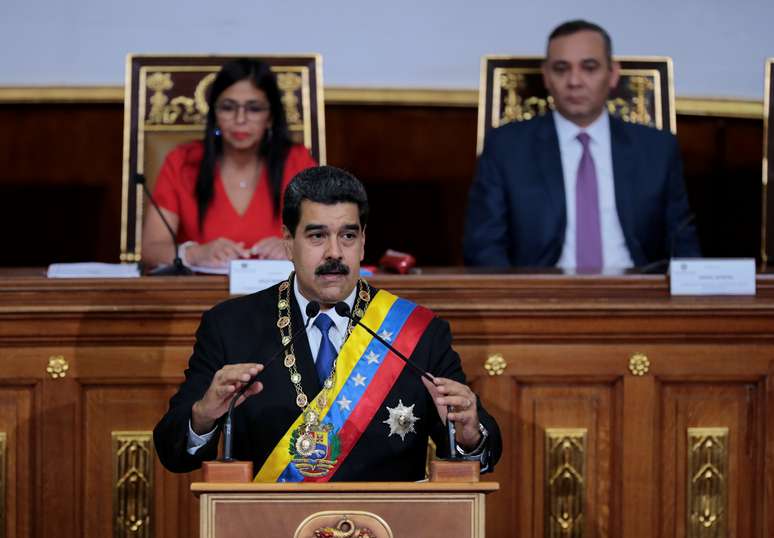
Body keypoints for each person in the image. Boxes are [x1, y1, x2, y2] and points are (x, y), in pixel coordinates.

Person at [153, 166, 501, 482]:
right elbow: (173, 452)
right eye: (317, 236)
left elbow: (478, 449)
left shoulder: (417, 332)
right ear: (288, 241)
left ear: (363, 241)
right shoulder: (230, 326)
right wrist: (202, 416)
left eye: (347, 236)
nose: (334, 253)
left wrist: (469, 433)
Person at [464, 20, 701, 270]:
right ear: (546, 76)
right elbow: (483, 245)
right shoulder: (507, 148)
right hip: (541, 297)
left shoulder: (656, 149)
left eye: (589, 68)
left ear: (612, 74)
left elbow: (683, 242)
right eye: (561, 68)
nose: (574, 81)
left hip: (638, 294)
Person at [142, 59, 317, 269]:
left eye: (254, 108)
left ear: (270, 117)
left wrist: (294, 247)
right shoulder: (182, 161)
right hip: (199, 297)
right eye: (228, 107)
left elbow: (326, 238)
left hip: (281, 295)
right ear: (214, 114)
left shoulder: (298, 161)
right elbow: (151, 249)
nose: (240, 119)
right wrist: (194, 253)